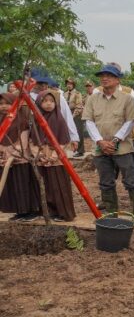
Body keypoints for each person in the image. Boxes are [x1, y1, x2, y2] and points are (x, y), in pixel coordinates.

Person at [83, 65, 134, 224]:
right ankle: (111, 213)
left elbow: (130, 121)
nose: (104, 78)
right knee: (105, 181)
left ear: (118, 80)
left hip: (122, 146)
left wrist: (115, 140)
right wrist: (100, 141)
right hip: (100, 147)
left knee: (131, 180)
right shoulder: (92, 99)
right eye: (102, 75)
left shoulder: (127, 98)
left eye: (109, 75)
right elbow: (89, 121)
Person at [30, 90, 76, 221]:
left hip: (56, 156)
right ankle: (47, 212)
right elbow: (31, 140)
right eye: (45, 101)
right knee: (45, 185)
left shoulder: (59, 119)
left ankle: (62, 213)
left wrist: (55, 155)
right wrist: (38, 155)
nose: (48, 104)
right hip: (41, 156)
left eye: (51, 101)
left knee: (58, 185)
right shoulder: (35, 120)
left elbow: (63, 140)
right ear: (39, 103)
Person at [0, 92, 41, 221]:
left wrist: (13, 155)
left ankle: (29, 212)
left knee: (23, 185)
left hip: (20, 159)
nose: (4, 106)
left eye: (7, 103)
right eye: (1, 104)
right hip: (6, 160)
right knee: (13, 186)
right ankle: (19, 211)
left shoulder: (21, 121)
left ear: (15, 105)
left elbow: (23, 144)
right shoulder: (1, 121)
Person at [30, 75, 80, 153]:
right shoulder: (26, 96)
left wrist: (74, 137)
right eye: (39, 83)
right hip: (35, 144)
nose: (42, 86)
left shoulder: (57, 96)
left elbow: (67, 117)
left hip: (56, 142)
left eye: (43, 84)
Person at [63, 78, 85, 157]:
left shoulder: (77, 93)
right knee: (66, 132)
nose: (69, 85)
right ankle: (67, 149)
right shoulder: (64, 94)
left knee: (78, 132)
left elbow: (79, 106)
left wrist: (72, 116)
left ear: (73, 85)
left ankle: (80, 151)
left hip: (76, 115)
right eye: (68, 84)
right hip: (67, 113)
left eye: (71, 84)